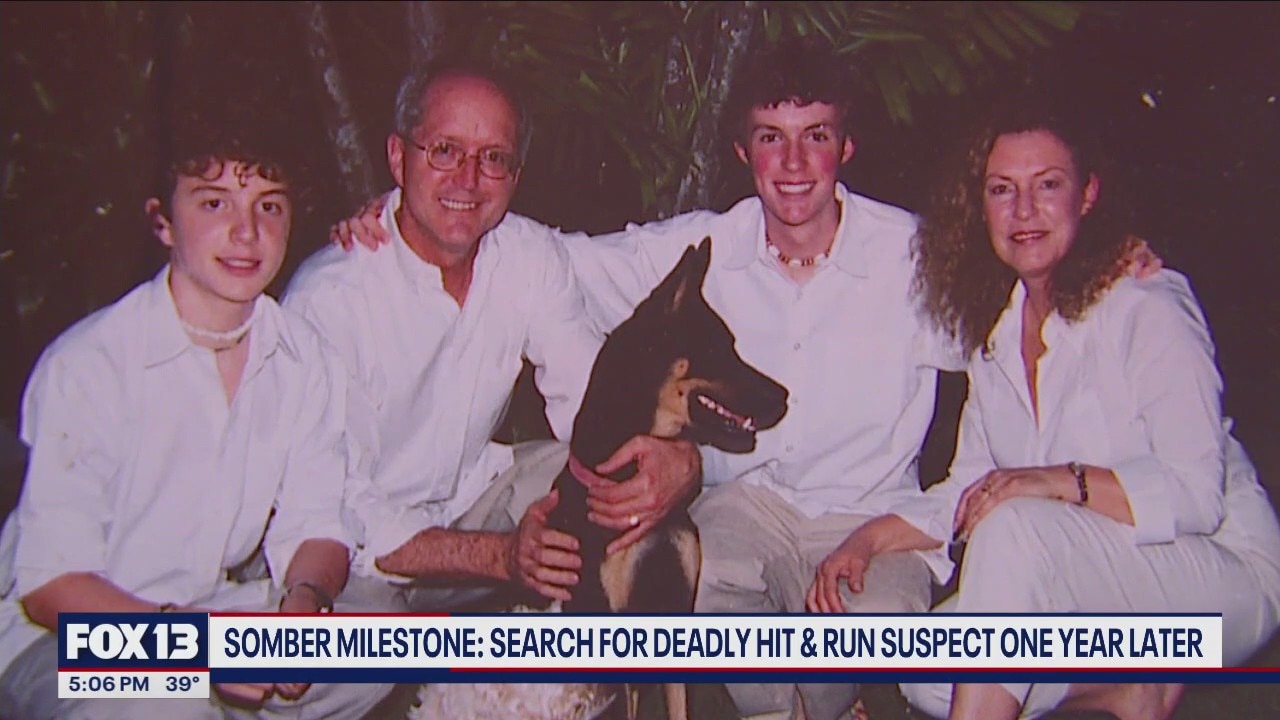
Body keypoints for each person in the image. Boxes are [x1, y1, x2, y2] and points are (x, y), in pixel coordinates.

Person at [334, 40, 964, 720]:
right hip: (746, 514)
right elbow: (547, 256)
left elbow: (1010, 354)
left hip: (870, 518)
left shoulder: (916, 260)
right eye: (769, 138)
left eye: (815, 136)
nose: (792, 163)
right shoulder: (698, 249)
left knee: (864, 653)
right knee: (695, 594)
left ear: (846, 146)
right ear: (742, 150)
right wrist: (407, 215)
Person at [806, 100, 1280, 720]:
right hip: (1094, 578)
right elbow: (972, 491)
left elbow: (1196, 496)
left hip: (1219, 582)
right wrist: (866, 540)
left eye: (1047, 185)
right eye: (1002, 189)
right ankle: (1125, 690)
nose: (1023, 211)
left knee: (1016, 528)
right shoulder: (997, 332)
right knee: (924, 662)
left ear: (1088, 194)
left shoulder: (1145, 305)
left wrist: (1058, 482)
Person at [0, 115, 390, 718]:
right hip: (67, 641)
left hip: (207, 608)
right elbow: (51, 585)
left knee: (382, 645)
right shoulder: (90, 364)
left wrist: (303, 608)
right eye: (214, 203)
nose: (246, 231)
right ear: (163, 221)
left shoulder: (303, 357)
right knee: (165, 705)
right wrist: (196, 651)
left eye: (269, 206)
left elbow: (316, 522)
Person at [284, 56, 701, 612]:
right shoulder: (330, 299)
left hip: (474, 499)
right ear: (398, 157)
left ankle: (598, 656)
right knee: (326, 655)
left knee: (632, 498)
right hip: (359, 555)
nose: (468, 178)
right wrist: (499, 556)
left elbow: (594, 402)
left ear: (516, 176)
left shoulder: (527, 256)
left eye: (494, 158)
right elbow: (334, 503)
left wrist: (679, 460)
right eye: (445, 150)